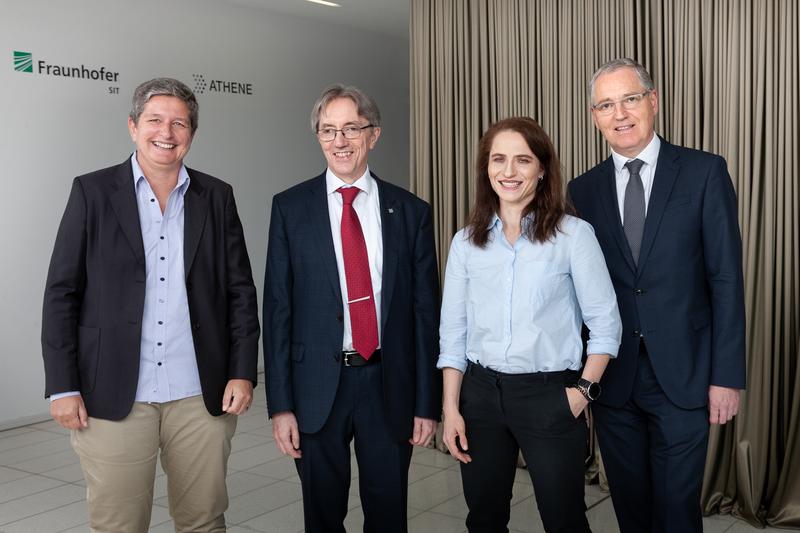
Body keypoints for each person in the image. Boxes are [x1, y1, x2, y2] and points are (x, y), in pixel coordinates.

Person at [41, 77, 260, 533]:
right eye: (155, 119)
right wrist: (63, 385)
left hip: (200, 393)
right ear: (133, 125)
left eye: (179, 122)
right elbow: (62, 292)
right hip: (112, 393)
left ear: (192, 134)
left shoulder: (217, 197)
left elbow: (240, 290)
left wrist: (242, 370)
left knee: (204, 520)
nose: (167, 131)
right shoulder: (92, 192)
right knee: (119, 523)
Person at [568, 58, 746, 533]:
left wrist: (726, 377)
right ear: (594, 116)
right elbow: (577, 293)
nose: (620, 113)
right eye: (606, 104)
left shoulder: (705, 172)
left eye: (629, 99)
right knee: (630, 506)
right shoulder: (581, 191)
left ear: (654, 102)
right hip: (614, 378)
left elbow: (726, 279)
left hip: (685, 376)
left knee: (675, 510)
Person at [263, 84, 441, 533]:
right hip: (316, 388)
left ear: (373, 135)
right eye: (327, 131)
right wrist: (280, 405)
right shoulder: (289, 208)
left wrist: (427, 402)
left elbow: (425, 314)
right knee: (322, 516)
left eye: (350, 129)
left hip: (388, 384)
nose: (339, 141)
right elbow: (278, 310)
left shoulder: (411, 211)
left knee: (388, 514)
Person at [439, 116, 622, 533]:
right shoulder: (466, 242)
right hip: (480, 398)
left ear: (542, 169)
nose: (508, 171)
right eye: (498, 159)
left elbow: (606, 326)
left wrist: (580, 394)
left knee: (564, 521)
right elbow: (453, 334)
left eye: (522, 160)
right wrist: (451, 408)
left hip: (549, 397)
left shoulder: (574, 236)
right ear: (486, 168)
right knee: (483, 519)